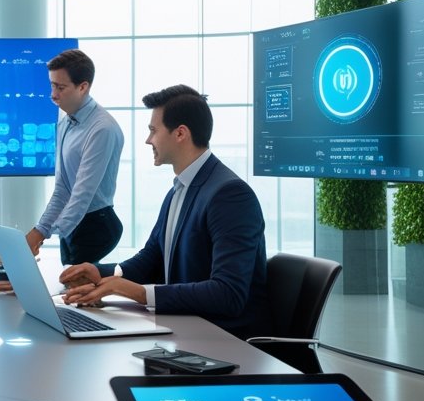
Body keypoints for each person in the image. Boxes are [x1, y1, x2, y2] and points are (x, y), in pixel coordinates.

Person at [60, 85, 272, 340]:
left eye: (153, 130)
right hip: (185, 329)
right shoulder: (179, 190)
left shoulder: (229, 195)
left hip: (223, 340)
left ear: (180, 133)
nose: (148, 140)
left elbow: (228, 294)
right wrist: (103, 274)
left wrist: (139, 293)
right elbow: (153, 257)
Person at [23, 49, 125, 264]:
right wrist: (38, 231)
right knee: (66, 282)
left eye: (60, 87)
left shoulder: (102, 129)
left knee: (73, 283)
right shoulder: (64, 123)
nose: (53, 94)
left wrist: (43, 234)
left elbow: (82, 193)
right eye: (52, 85)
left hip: (96, 225)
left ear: (83, 87)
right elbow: (62, 189)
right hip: (73, 224)